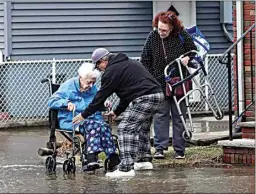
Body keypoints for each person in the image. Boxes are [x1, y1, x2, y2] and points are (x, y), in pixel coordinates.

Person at [72, 48, 164, 177]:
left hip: (145, 98)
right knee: (141, 127)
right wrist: (117, 112)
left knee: (125, 128)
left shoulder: (111, 71)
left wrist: (83, 115)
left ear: (103, 61)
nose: (99, 70)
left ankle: (126, 168)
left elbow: (100, 97)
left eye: (98, 66)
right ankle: (144, 160)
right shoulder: (129, 63)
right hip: (158, 95)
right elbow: (127, 95)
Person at [140, 11, 197, 159]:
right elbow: (145, 60)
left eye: (164, 30)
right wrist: (153, 78)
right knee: (160, 115)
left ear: (172, 28)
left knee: (179, 115)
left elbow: (193, 51)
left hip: (180, 81)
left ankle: (180, 149)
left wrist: (187, 58)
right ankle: (160, 148)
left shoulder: (182, 35)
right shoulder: (153, 37)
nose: (161, 32)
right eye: (159, 28)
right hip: (159, 82)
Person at [47, 62, 120, 172]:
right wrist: (66, 103)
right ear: (81, 78)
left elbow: (97, 101)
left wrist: (104, 102)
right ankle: (90, 158)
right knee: (92, 125)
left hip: (92, 120)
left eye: (93, 82)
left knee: (104, 126)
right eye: (89, 82)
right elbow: (51, 101)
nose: (91, 85)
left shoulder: (92, 88)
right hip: (72, 120)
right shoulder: (68, 86)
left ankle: (113, 158)